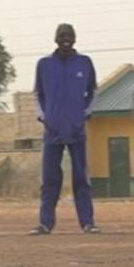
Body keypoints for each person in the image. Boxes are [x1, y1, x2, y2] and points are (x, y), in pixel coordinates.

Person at [34, 24, 99, 235]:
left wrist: (85, 113)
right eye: (62, 36)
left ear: (75, 39)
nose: (66, 39)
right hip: (52, 132)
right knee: (50, 180)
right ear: (55, 39)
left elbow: (93, 92)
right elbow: (38, 94)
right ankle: (45, 223)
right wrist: (45, 117)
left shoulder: (84, 63)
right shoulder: (44, 65)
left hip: (76, 130)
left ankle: (88, 223)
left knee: (81, 179)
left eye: (69, 36)